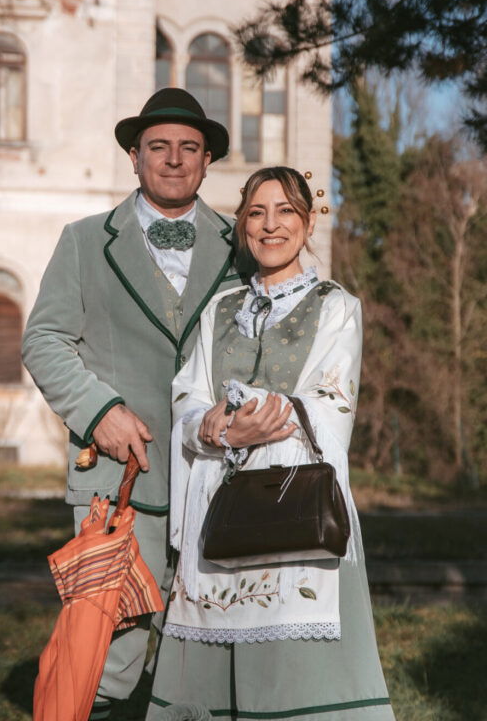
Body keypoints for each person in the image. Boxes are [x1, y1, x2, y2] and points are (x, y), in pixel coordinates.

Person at [22, 88, 254, 719]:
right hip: (119, 481)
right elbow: (43, 340)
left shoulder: (245, 244)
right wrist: (101, 412)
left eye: (189, 148)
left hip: (220, 481)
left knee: (207, 649)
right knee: (109, 654)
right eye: (159, 147)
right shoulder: (82, 241)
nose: (174, 160)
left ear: (207, 162)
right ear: (134, 155)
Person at [147, 167, 395, 720]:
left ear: (308, 224)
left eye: (285, 211)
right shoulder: (219, 311)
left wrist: (243, 415)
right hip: (220, 500)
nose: (270, 225)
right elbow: (188, 393)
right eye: (256, 213)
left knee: (297, 679)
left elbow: (329, 402)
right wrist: (211, 427)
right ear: (242, 227)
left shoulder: (337, 307)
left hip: (294, 507)